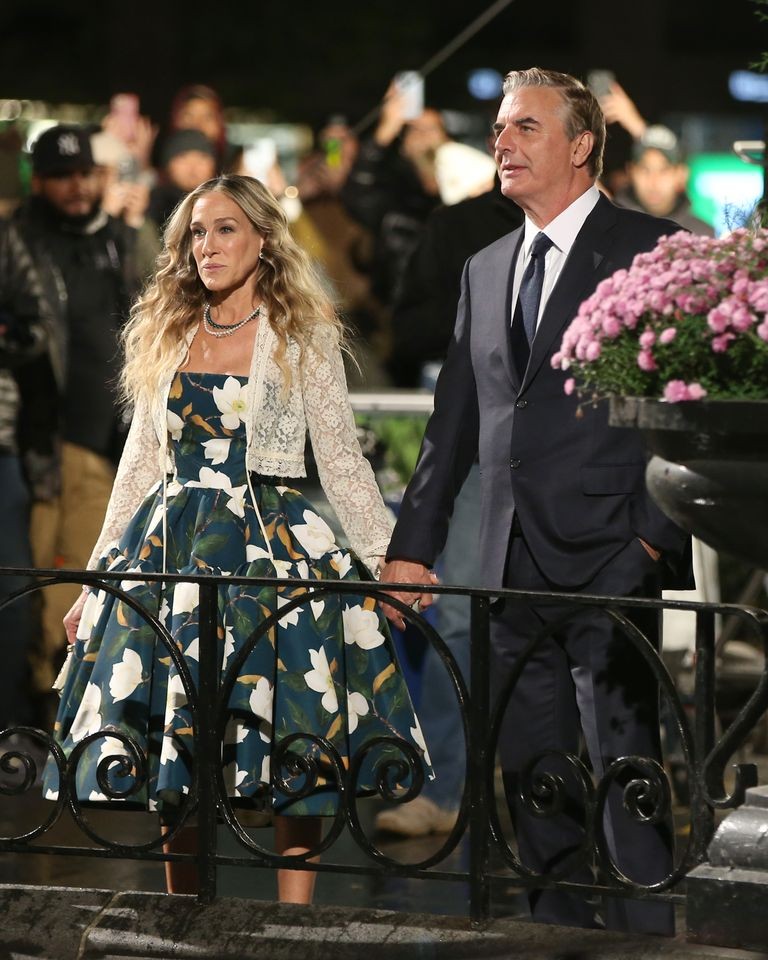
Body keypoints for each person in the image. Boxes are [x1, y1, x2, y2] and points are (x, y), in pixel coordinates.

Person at [41, 174, 431, 905]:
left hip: (269, 549)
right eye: (197, 232)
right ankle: (182, 915)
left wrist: (387, 559)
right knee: (178, 738)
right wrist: (96, 582)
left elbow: (342, 458)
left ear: (263, 238)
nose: (207, 246)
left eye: (224, 229)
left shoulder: (302, 334)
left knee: (294, 731)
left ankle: (294, 922)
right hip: (171, 551)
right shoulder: (167, 327)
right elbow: (139, 463)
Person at [380, 68, 691, 935]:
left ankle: (647, 947)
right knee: (535, 784)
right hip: (506, 562)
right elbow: (453, 424)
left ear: (581, 145)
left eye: (525, 127)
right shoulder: (485, 268)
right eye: (499, 127)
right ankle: (557, 941)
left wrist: (651, 539)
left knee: (627, 777)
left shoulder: (651, 248)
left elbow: (687, 406)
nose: (502, 143)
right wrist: (413, 546)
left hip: (613, 559)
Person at [13, 123, 149, 703]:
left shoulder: (120, 240)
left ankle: (57, 715)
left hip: (102, 442)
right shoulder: (17, 240)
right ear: (38, 181)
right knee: (35, 586)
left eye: (83, 173)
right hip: (35, 438)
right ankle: (38, 713)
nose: (76, 186)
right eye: (61, 175)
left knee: (74, 589)